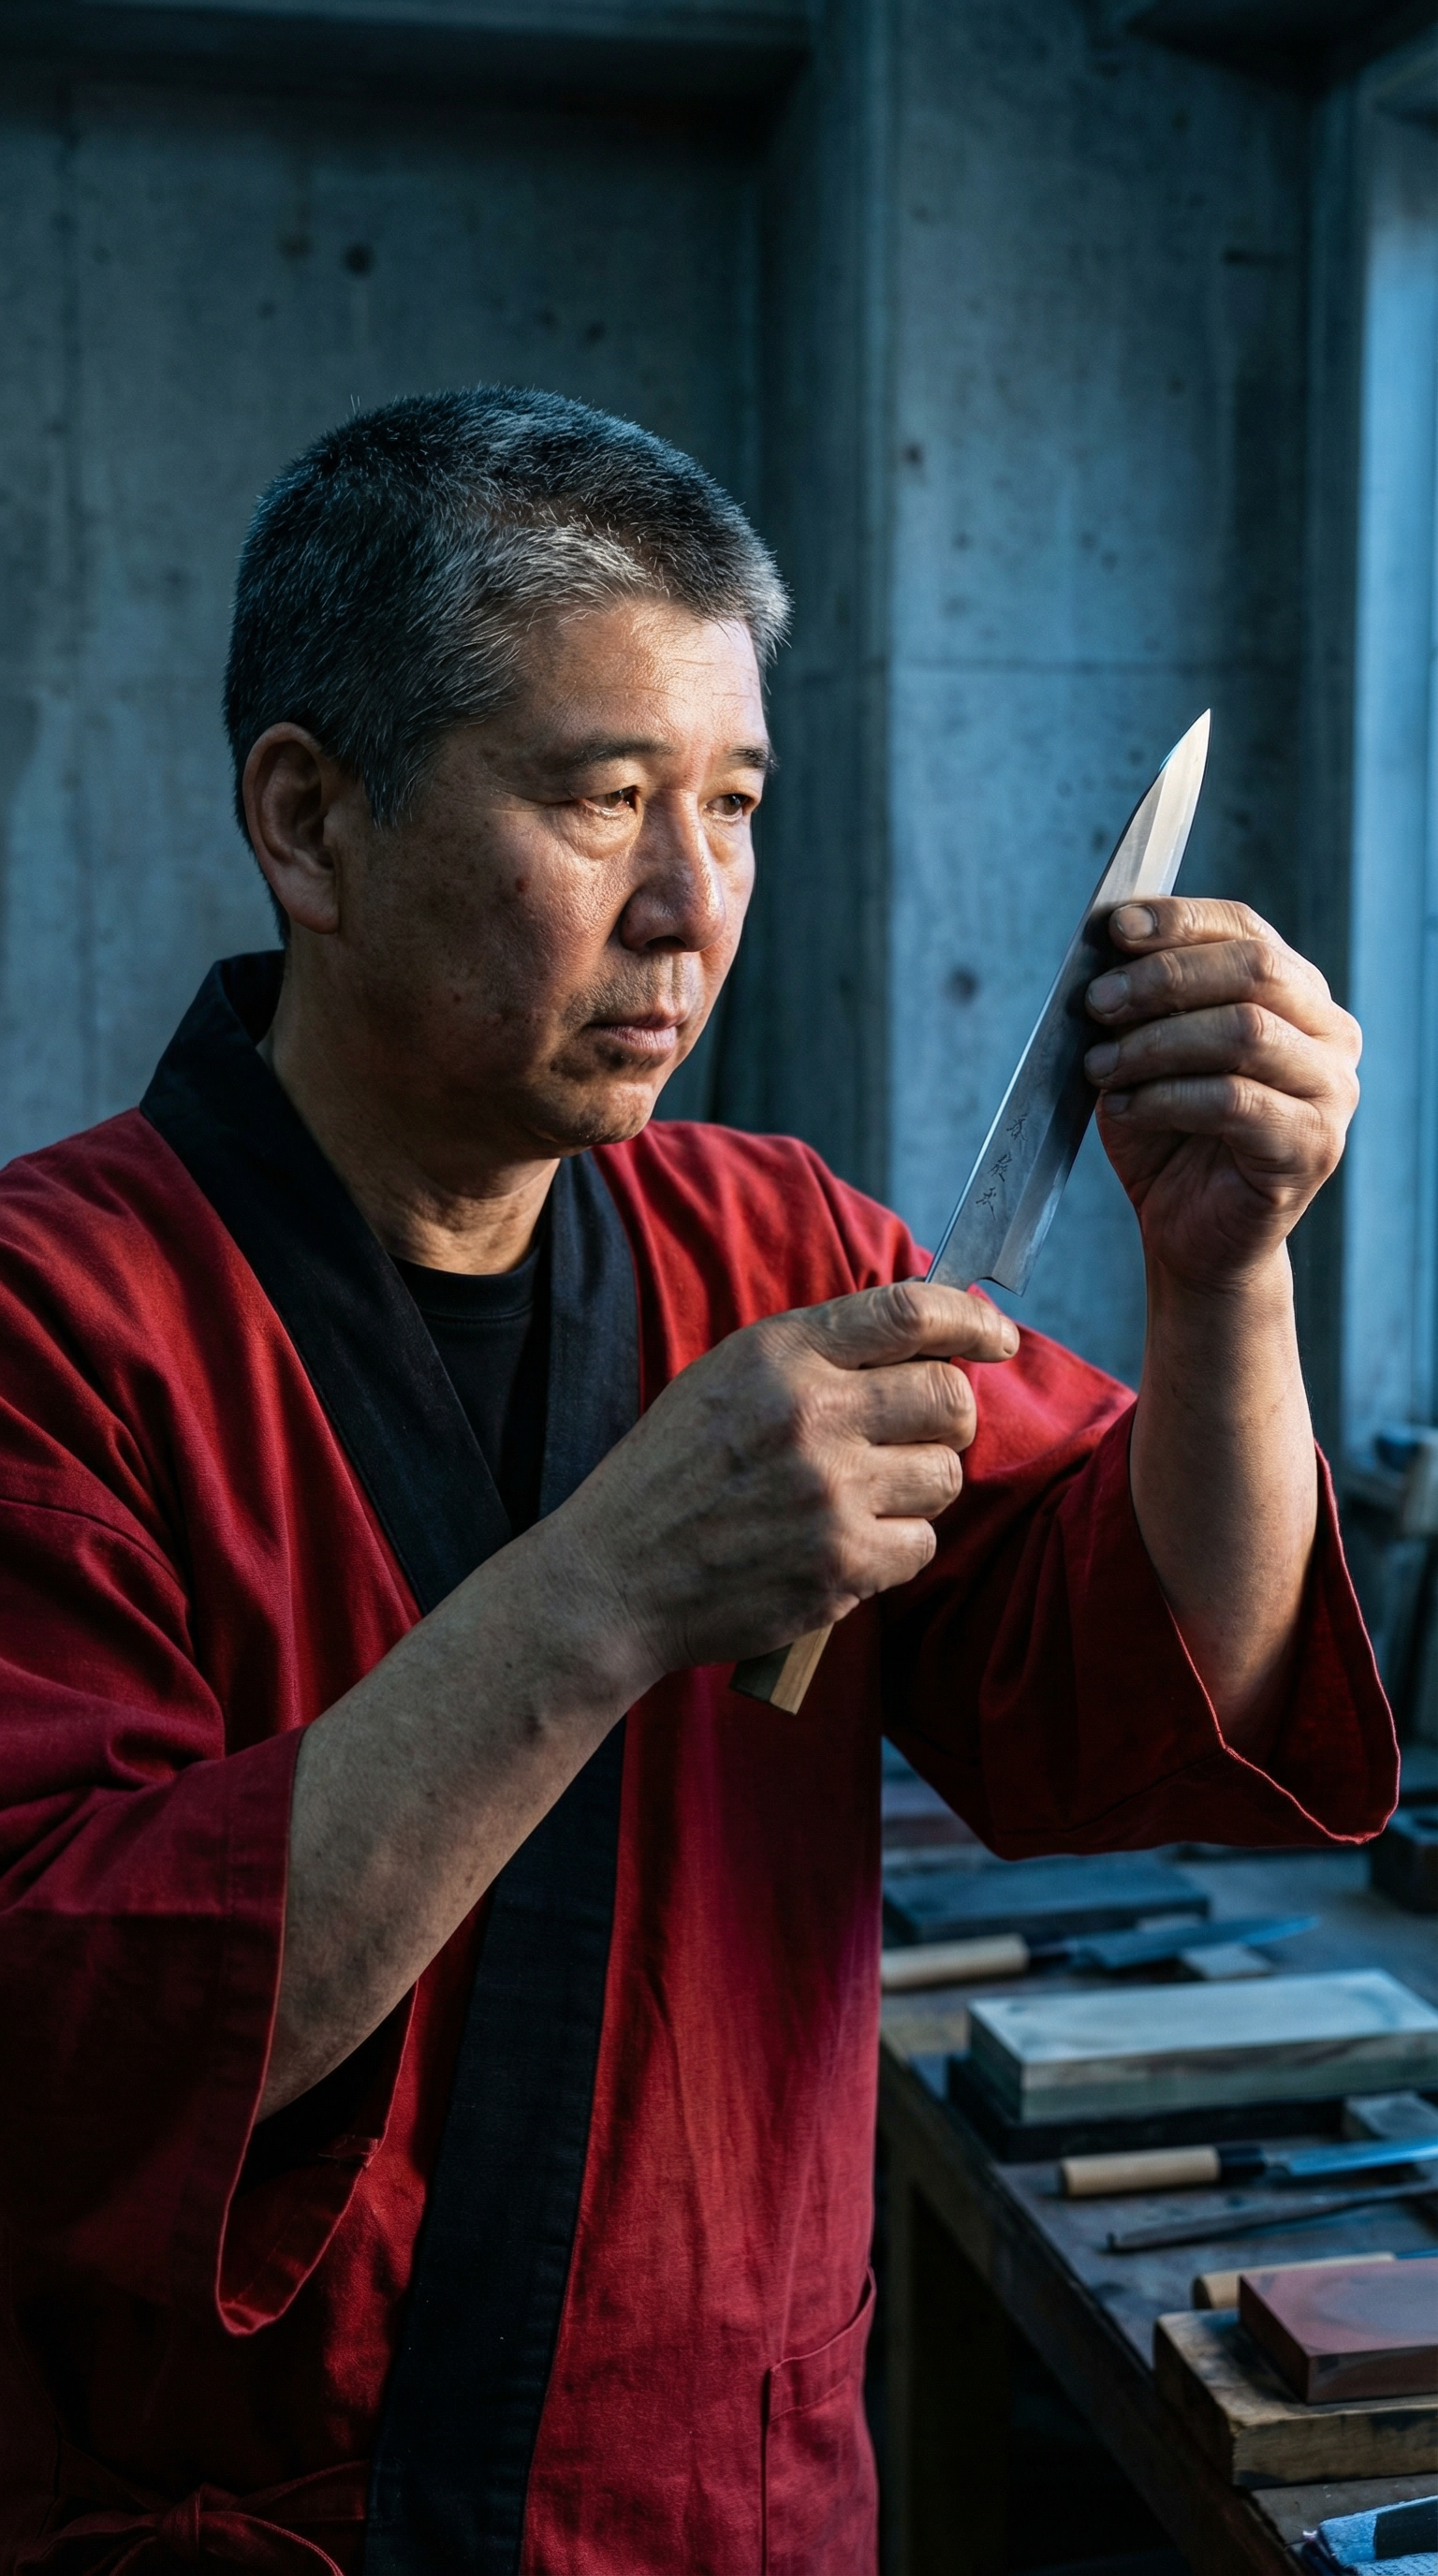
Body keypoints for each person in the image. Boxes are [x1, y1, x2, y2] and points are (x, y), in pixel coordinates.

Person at [0, 387, 1392, 2576]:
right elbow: (70, 2034)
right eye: (601, 794)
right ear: (310, 817)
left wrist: (1226, 1271)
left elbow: (1169, 1692)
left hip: (724, 2510)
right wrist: (604, 1589)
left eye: (735, 801)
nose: (690, 904)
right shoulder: (58, 1321)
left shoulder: (785, 1254)